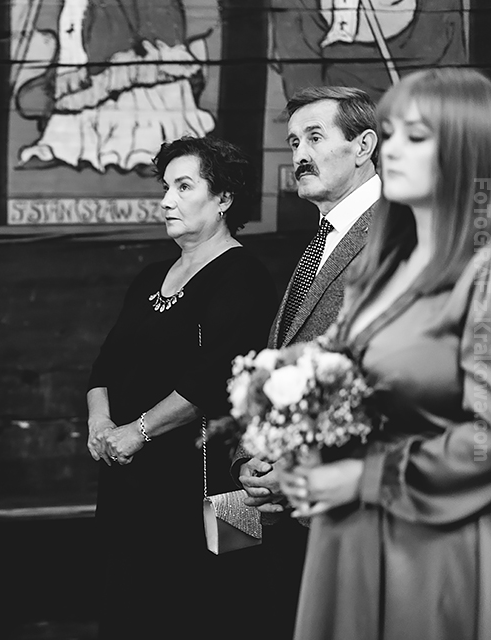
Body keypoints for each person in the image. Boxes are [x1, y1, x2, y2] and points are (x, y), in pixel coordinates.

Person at [278, 67, 491, 640]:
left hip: (429, 538)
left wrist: (365, 476)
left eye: (416, 137)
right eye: (391, 133)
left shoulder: (483, 273)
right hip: (348, 534)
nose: (392, 149)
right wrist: (292, 442)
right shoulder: (385, 271)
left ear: (467, 149)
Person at [86, 135, 277, 639]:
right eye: (166, 187)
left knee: (199, 612)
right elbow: (106, 363)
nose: (166, 200)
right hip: (129, 476)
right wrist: (100, 422)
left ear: (224, 198)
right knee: (129, 608)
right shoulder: (151, 275)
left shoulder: (244, 277)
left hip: (203, 480)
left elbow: (213, 378)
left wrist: (137, 432)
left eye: (184, 186)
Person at [233, 85, 381, 638]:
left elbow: (386, 379)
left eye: (316, 137)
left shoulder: (395, 233)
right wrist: (254, 455)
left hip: (358, 510)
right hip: (297, 512)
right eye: (294, 141)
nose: (300, 153)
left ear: (364, 145)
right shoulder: (323, 238)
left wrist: (303, 469)